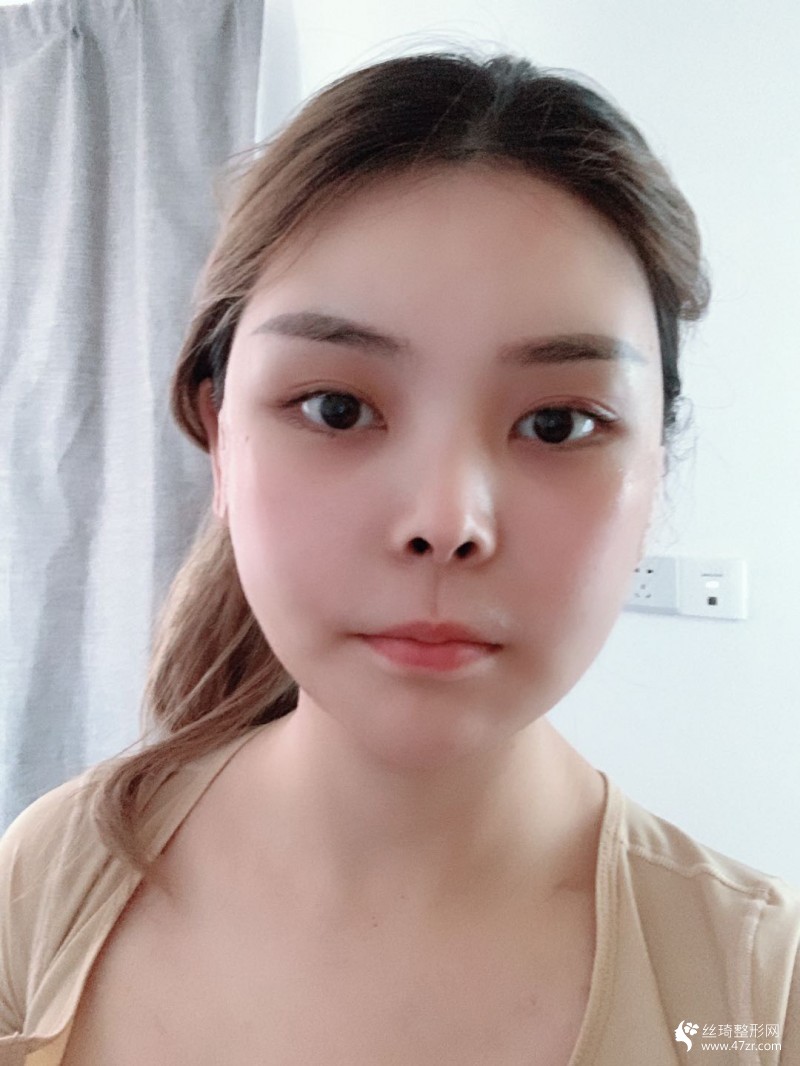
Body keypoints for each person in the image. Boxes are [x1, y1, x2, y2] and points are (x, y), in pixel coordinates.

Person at [1, 50, 798, 1066]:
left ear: (653, 471)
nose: (445, 520)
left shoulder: (754, 994)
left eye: (556, 423)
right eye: (337, 407)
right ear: (219, 436)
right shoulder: (49, 880)